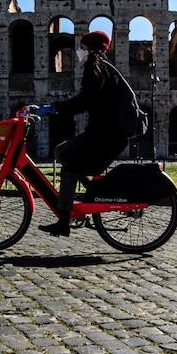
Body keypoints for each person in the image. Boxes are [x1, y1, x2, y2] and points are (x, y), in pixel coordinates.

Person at [39, 30, 136, 237]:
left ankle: (64, 221)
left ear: (91, 49)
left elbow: (83, 101)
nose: (79, 52)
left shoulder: (97, 69)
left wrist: (54, 108)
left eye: (82, 48)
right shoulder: (105, 69)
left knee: (67, 158)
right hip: (105, 136)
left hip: (105, 137)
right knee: (63, 153)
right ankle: (92, 191)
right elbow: (87, 102)